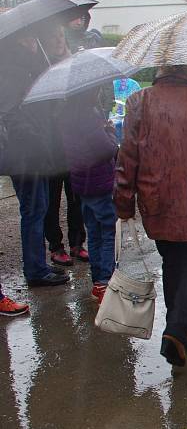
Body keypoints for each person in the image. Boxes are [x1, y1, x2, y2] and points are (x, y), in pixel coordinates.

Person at [114, 64, 187, 367]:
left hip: (156, 200)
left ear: (161, 66)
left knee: (174, 261)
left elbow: (127, 156)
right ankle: (177, 327)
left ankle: (180, 326)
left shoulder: (140, 100)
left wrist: (124, 203)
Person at [0, 25, 69, 287]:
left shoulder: (28, 68)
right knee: (33, 209)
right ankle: (35, 269)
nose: (34, 42)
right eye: (29, 38)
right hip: (25, 154)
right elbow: (12, 115)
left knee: (37, 208)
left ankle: (38, 265)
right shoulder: (12, 73)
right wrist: (38, 137)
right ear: (20, 42)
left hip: (32, 152)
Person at [58, 88, 118, 303]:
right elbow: (106, 149)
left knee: (93, 231)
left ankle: (97, 281)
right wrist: (110, 132)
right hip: (99, 181)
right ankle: (105, 280)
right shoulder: (89, 114)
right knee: (108, 230)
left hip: (81, 181)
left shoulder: (65, 114)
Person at [41, 23, 89, 268]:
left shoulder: (74, 66)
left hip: (74, 140)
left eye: (61, 36)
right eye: (53, 36)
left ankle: (77, 242)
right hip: (51, 145)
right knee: (52, 199)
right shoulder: (41, 68)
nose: (58, 40)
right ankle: (56, 245)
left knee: (76, 196)